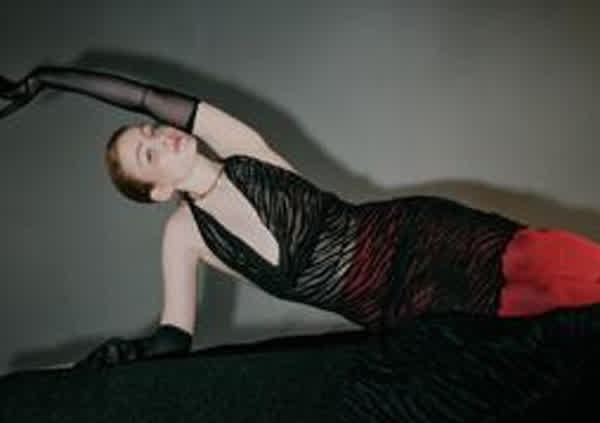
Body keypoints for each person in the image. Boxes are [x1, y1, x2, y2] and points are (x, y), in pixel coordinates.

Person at [2, 66, 600, 368]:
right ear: (156, 191)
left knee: (553, 265)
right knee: (535, 335)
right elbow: (172, 339)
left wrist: (44, 79)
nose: (161, 137)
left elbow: (144, 95)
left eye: (151, 131)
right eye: (149, 154)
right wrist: (116, 359)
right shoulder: (184, 236)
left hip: (420, 235)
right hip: (397, 310)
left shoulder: (239, 148)